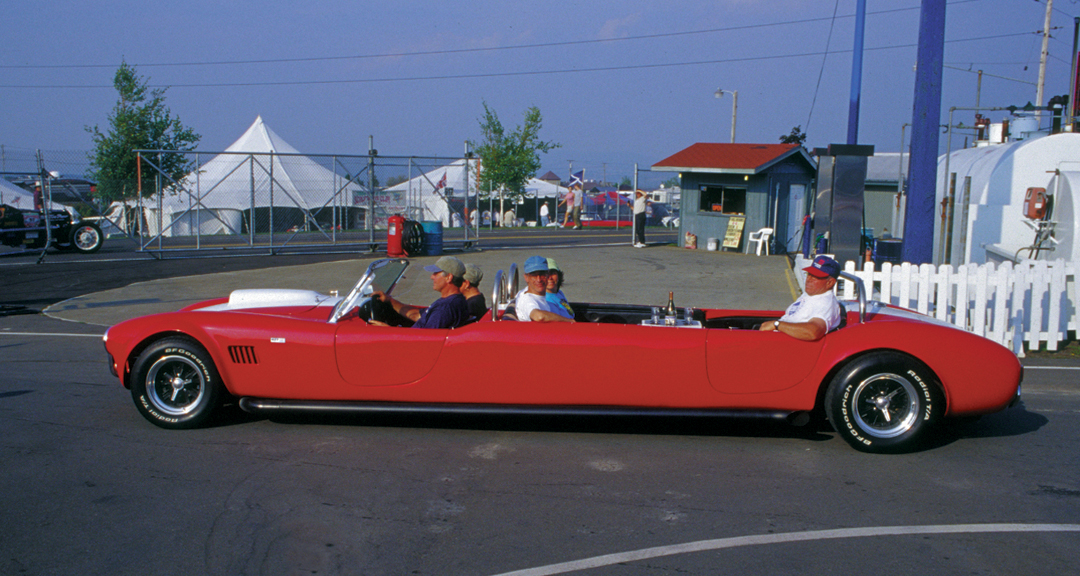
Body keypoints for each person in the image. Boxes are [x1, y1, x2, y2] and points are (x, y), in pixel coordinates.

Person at [370, 255, 469, 329]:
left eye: (436, 273)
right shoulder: (453, 301)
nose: (432, 277)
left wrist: (388, 330)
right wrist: (390, 300)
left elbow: (425, 339)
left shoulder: (445, 308)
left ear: (449, 277)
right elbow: (417, 315)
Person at [759, 255, 842, 341]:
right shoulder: (811, 294)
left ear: (830, 283)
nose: (809, 279)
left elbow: (813, 332)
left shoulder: (825, 303)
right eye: (809, 274)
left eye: (815, 277)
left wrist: (776, 325)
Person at [514, 256, 574, 322]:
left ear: (547, 275)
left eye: (542, 274)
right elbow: (539, 317)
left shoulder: (537, 295)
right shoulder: (527, 300)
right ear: (526, 277)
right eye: (534, 275)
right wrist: (569, 321)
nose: (539, 279)